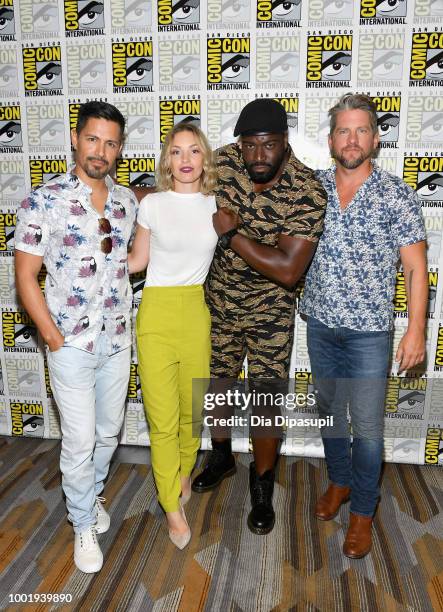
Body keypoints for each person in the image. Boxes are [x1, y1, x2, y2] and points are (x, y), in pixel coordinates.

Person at [191, 98, 327, 535]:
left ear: (285, 142)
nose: (257, 156)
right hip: (219, 302)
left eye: (267, 145)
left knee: (266, 401)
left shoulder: (306, 189)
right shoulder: (224, 163)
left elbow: (288, 271)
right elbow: (173, 189)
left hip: (271, 309)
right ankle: (221, 455)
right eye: (249, 146)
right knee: (218, 385)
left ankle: (263, 482)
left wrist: (231, 234)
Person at [300, 93, 427, 559]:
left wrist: (415, 331)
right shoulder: (312, 189)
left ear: (375, 138)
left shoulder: (397, 195)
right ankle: (339, 483)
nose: (351, 139)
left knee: (369, 429)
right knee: (331, 416)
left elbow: (416, 269)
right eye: (342, 130)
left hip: (370, 335)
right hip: (319, 326)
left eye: (360, 130)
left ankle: (363, 514)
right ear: (331, 139)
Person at [14, 101, 137, 573]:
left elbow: (129, 262)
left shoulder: (126, 201)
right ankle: (82, 520)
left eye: (110, 142)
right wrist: (51, 334)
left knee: (108, 433)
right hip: (70, 343)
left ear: (119, 149)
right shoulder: (44, 199)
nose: (99, 150)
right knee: (80, 439)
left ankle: (92, 495)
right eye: (92, 139)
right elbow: (25, 275)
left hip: (118, 337)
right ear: (74, 138)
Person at [128, 123, 218, 549]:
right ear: (166, 160)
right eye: (177, 151)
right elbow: (137, 262)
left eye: (194, 151)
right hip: (156, 316)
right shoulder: (153, 206)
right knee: (162, 422)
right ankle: (170, 508)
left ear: (204, 159)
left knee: (192, 414)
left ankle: (183, 473)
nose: (185, 159)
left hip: (196, 314)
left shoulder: (218, 206)